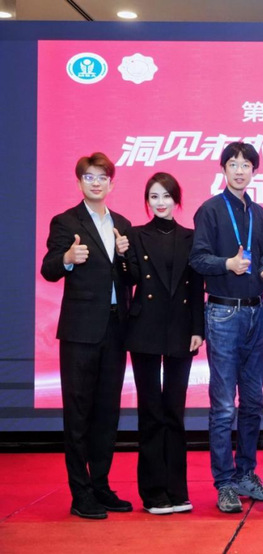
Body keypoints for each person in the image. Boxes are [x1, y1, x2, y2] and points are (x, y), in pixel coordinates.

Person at [40, 152, 133, 519]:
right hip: (80, 332)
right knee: (79, 413)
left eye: (102, 177)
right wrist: (67, 257)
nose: (96, 183)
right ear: (79, 182)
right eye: (89, 177)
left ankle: (101, 485)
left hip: (116, 329)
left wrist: (125, 257)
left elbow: (130, 278)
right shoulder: (66, 221)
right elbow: (49, 269)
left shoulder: (122, 224)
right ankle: (80, 493)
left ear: (112, 183)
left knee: (107, 413)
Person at [189, 142, 263, 513]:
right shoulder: (210, 210)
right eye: (233, 164)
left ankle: (246, 475)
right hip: (223, 313)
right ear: (223, 169)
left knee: (254, 402)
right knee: (224, 405)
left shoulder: (260, 213)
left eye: (246, 165)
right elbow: (197, 259)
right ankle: (224, 483)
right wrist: (227, 264)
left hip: (257, 313)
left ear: (255, 171)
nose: (240, 171)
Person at [123, 173, 204, 515]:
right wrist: (121, 256)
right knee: (151, 411)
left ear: (176, 200)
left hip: (181, 329)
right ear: (147, 201)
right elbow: (127, 279)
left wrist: (198, 328)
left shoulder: (191, 237)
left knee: (174, 409)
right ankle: (154, 492)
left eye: (166, 196)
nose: (160, 202)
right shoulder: (134, 235)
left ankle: (177, 490)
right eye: (154, 196)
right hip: (144, 329)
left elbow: (196, 287)